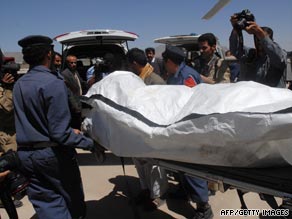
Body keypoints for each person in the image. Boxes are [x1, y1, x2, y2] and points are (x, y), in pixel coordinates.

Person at [13, 35, 98, 219]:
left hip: (26, 156)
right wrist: (90, 143)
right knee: (72, 202)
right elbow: (60, 134)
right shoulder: (54, 83)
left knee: (47, 204)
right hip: (53, 157)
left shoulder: (19, 84)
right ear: (49, 54)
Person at [162, 45, 213, 219]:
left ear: (170, 61)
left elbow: (190, 103)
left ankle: (203, 207)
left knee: (192, 168)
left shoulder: (186, 76)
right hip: (178, 127)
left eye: (165, 62)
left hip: (190, 128)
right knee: (180, 165)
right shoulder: (175, 75)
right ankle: (184, 192)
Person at [126, 48, 167, 211]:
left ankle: (157, 195)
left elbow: (164, 108)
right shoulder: (136, 79)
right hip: (138, 129)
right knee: (139, 162)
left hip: (153, 130)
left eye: (130, 64)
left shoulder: (155, 81)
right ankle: (145, 189)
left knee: (154, 165)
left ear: (134, 63)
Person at [229, 14, 287, 87]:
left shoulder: (278, 56)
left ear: (271, 40)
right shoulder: (250, 54)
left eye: (261, 39)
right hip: (254, 97)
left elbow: (280, 58)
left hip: (273, 98)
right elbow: (235, 49)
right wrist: (236, 28)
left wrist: (260, 33)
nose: (259, 42)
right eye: (257, 39)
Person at [61, 55, 88, 129]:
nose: (74, 64)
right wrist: (76, 107)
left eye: (75, 63)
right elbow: (69, 92)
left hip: (79, 101)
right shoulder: (65, 74)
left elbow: (81, 82)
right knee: (75, 124)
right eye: (71, 63)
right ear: (67, 63)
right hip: (73, 105)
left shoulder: (75, 72)